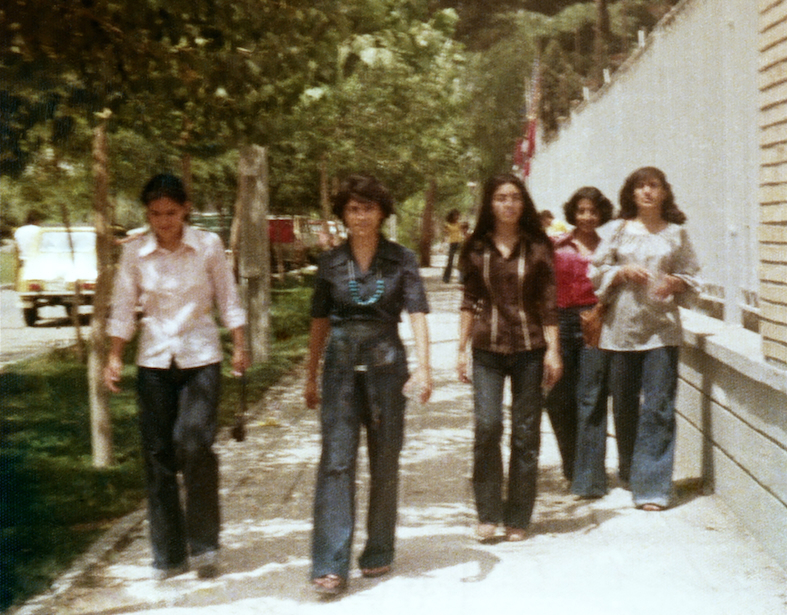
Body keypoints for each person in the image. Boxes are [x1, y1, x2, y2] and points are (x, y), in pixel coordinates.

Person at [104, 174, 250, 580]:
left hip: (200, 356)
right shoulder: (135, 252)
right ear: (147, 214)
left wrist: (240, 344)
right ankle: (168, 555)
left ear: (185, 209)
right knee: (158, 455)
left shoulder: (208, 245)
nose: (163, 221)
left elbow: (228, 297)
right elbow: (122, 306)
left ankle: (205, 546)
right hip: (154, 361)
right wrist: (115, 356)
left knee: (195, 444)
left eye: (171, 212)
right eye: (155, 214)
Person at [304, 174, 432, 596]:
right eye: (353, 209)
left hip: (387, 366)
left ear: (381, 213)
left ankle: (378, 549)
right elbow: (319, 320)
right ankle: (330, 563)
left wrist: (425, 368)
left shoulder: (401, 259)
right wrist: (310, 375)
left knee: (385, 458)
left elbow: (416, 312)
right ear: (343, 214)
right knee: (336, 461)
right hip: (340, 368)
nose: (360, 216)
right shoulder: (330, 262)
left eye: (368, 208)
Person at [457, 173, 562, 542]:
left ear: (523, 202)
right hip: (487, 348)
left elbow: (548, 303)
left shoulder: (538, 246)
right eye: (501, 197)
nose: (508, 204)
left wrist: (554, 350)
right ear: (490, 203)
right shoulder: (476, 247)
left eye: (515, 197)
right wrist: (460, 349)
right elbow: (469, 300)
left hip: (530, 348)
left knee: (525, 432)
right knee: (487, 426)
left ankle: (518, 516)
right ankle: (488, 514)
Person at [589, 166, 700, 511]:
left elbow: (692, 275)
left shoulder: (677, 234)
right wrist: (621, 271)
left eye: (654, 186)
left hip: (662, 330)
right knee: (624, 404)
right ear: (632, 193)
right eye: (641, 186)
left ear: (664, 192)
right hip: (622, 330)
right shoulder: (617, 230)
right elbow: (595, 272)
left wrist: (677, 282)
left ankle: (652, 488)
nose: (648, 192)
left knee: (658, 405)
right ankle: (630, 469)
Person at [544, 187, 614, 492]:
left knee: (591, 397)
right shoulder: (556, 245)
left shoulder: (609, 249)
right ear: (573, 213)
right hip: (559, 322)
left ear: (602, 214)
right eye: (582, 211)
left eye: (593, 211)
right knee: (558, 398)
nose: (587, 217)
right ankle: (572, 465)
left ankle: (590, 479)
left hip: (594, 322)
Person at [442, 209, 463, 283]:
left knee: (462, 260)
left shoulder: (459, 224)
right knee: (450, 261)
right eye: (455, 215)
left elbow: (463, 231)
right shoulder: (447, 225)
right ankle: (446, 278)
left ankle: (462, 278)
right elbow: (445, 235)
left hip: (460, 242)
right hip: (452, 243)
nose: (457, 217)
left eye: (457, 215)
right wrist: (442, 245)